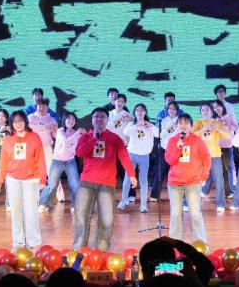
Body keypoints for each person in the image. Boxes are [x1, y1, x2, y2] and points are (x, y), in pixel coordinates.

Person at [73, 107, 137, 251]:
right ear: (92, 120)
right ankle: (78, 250)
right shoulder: (86, 137)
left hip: (107, 184)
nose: (98, 119)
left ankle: (101, 251)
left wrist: (132, 174)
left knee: (106, 220)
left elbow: (124, 156)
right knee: (81, 217)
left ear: (107, 120)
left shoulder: (114, 138)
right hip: (87, 182)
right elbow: (80, 153)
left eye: (102, 116)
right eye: (95, 116)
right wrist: (94, 139)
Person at [0, 110, 47, 253]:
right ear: (11, 124)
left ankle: (34, 243)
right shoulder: (8, 139)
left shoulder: (34, 137)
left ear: (25, 121)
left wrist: (43, 178)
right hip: (12, 180)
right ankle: (18, 242)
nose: (18, 124)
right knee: (16, 212)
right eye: (15, 121)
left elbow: (41, 159)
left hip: (31, 180)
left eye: (20, 120)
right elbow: (3, 161)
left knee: (31, 212)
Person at [165, 113, 211, 242]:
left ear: (191, 126)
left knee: (195, 213)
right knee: (175, 214)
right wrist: (178, 147)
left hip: (193, 182)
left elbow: (206, 158)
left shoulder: (197, 141)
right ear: (176, 126)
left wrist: (204, 175)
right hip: (175, 183)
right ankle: (175, 243)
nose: (183, 126)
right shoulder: (172, 141)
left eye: (186, 123)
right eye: (180, 123)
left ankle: (200, 243)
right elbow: (170, 161)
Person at [39, 111, 84, 213]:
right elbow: (65, 142)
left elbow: (79, 146)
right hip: (57, 161)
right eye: (69, 118)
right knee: (52, 185)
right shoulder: (60, 131)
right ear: (64, 120)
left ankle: (75, 205)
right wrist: (77, 133)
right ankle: (43, 204)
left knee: (75, 184)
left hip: (70, 161)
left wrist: (84, 134)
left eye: (73, 119)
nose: (71, 121)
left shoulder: (77, 134)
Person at [118, 104, 158, 213]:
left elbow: (158, 134)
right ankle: (123, 200)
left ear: (145, 112)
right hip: (132, 155)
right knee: (127, 179)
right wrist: (136, 125)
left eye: (141, 110)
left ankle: (143, 205)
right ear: (135, 112)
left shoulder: (149, 125)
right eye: (137, 110)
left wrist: (151, 125)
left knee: (143, 180)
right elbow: (125, 132)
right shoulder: (132, 124)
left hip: (144, 156)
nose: (139, 112)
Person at [193, 103, 230, 212]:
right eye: (203, 110)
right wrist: (203, 130)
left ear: (211, 111)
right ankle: (191, 203)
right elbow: (191, 135)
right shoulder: (198, 123)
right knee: (196, 180)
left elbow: (227, 136)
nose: (205, 112)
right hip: (200, 157)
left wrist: (218, 130)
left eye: (207, 110)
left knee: (219, 180)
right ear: (200, 112)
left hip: (215, 155)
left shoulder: (216, 122)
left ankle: (220, 203)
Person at [203, 99, 238, 199]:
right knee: (211, 169)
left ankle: (229, 191)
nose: (216, 109)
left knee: (227, 169)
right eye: (214, 107)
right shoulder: (213, 120)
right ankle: (204, 190)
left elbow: (236, 128)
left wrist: (229, 128)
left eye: (217, 106)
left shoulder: (229, 117)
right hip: (215, 147)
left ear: (222, 106)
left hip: (227, 146)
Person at [150, 100, 180, 202]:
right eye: (170, 109)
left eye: (174, 109)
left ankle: (179, 196)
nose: (172, 111)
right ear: (167, 110)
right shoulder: (162, 121)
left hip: (176, 150)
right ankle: (154, 195)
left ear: (177, 110)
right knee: (160, 171)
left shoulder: (180, 121)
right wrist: (169, 129)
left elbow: (183, 134)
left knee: (177, 172)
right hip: (164, 149)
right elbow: (159, 135)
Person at [214, 85, 238, 192]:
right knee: (220, 166)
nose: (221, 93)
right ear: (216, 94)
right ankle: (223, 187)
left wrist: (233, 134)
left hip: (228, 140)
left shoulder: (230, 106)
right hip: (217, 142)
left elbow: (234, 124)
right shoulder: (213, 108)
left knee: (230, 165)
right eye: (219, 92)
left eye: (222, 91)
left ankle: (232, 184)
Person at [27, 97, 58, 179]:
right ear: (36, 106)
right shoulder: (31, 117)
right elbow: (31, 127)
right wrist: (45, 127)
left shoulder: (51, 119)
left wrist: (55, 131)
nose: (41, 108)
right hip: (33, 148)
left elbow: (55, 136)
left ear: (47, 107)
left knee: (50, 170)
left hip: (47, 148)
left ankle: (51, 186)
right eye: (39, 106)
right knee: (33, 170)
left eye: (44, 106)